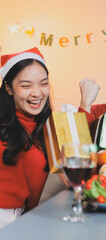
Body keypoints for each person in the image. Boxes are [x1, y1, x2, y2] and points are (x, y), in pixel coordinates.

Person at [0, 47, 52, 228]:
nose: (37, 93)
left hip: (25, 220)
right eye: (26, 85)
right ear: (9, 88)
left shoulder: (44, 127)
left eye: (43, 83)